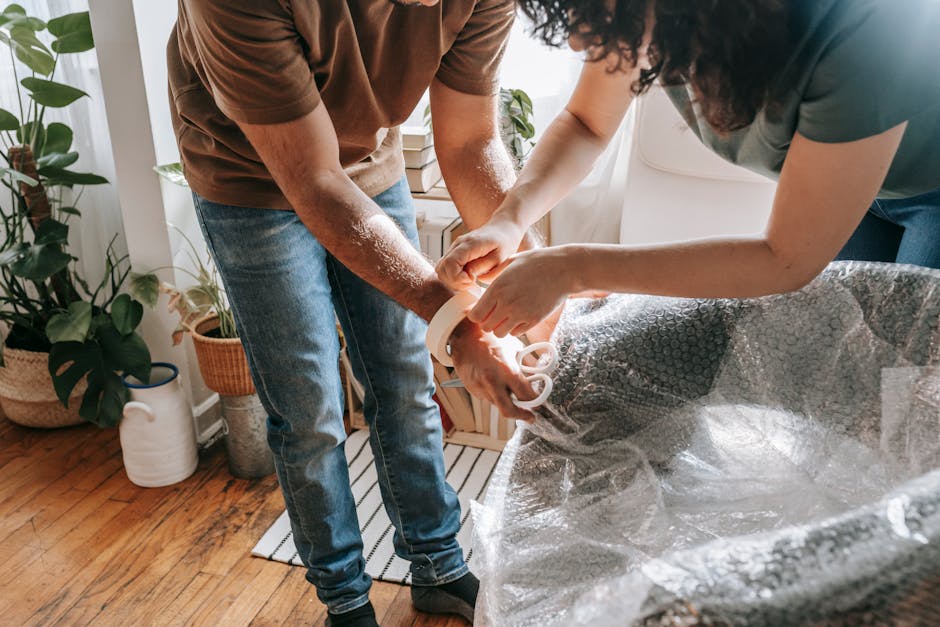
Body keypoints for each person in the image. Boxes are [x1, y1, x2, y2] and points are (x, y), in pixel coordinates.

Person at [167, 0, 540, 625]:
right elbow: (313, 180)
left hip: (368, 163)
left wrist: (534, 274)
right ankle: (345, 599)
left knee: (403, 376)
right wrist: (456, 324)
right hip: (249, 180)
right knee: (308, 404)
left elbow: (472, 139)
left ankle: (438, 564)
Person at [436, 0, 940, 339]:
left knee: (911, 387)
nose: (575, 42)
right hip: (859, 195)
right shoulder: (646, 16)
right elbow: (587, 122)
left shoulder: (870, 27)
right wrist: (510, 218)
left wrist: (571, 268)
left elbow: (785, 259)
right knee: (841, 362)